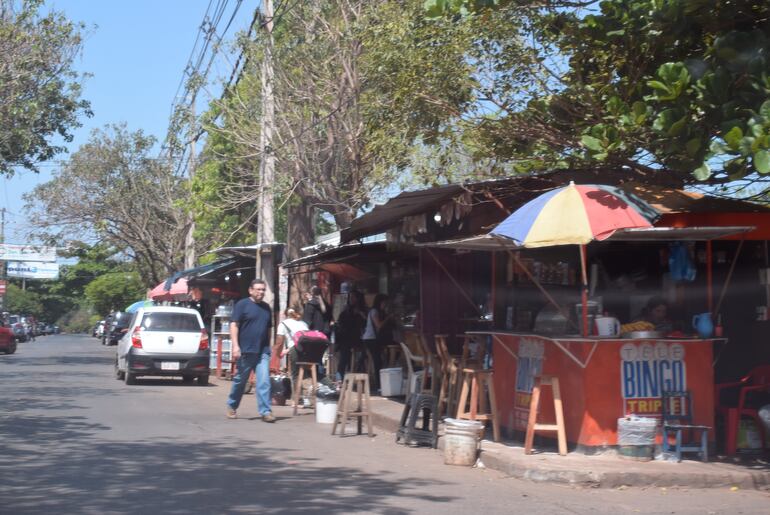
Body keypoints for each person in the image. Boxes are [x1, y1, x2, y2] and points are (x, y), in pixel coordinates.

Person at [226, 279, 275, 422]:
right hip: (245, 351)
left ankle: (265, 411)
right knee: (240, 381)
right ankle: (232, 405)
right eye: (258, 289)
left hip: (262, 351)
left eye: (263, 290)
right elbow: (234, 325)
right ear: (251, 290)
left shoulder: (266, 307)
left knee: (264, 381)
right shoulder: (242, 305)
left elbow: (269, 328)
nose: (261, 292)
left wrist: (269, 346)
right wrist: (235, 346)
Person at [361, 293, 396, 388]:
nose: (385, 304)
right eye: (385, 302)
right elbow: (378, 325)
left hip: (371, 338)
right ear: (381, 302)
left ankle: (380, 382)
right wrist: (388, 318)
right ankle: (379, 384)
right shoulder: (374, 312)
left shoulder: (377, 311)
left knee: (379, 360)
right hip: (371, 339)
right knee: (377, 361)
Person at [334, 290, 368, 380]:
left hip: (357, 338)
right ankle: (339, 379)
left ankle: (357, 373)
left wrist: (360, 314)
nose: (351, 299)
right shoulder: (346, 310)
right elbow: (341, 321)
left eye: (354, 297)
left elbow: (366, 323)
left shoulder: (362, 310)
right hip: (345, 338)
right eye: (350, 297)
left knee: (364, 354)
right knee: (343, 358)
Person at [275, 306, 309, 392]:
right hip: (308, 350)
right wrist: (286, 350)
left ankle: (298, 399)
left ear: (286, 315)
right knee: (308, 374)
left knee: (295, 374)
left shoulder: (283, 324)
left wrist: (278, 354)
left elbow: (279, 342)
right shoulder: (304, 324)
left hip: (295, 350)